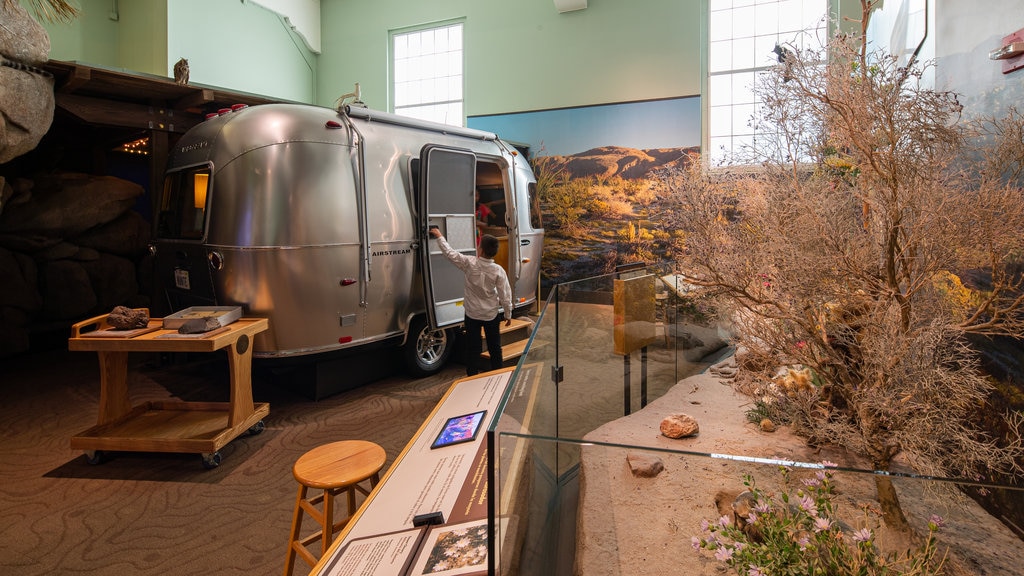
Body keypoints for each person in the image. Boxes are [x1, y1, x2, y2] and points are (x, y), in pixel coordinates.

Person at [429, 226, 513, 376]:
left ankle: (472, 376)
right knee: (495, 347)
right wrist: (508, 314)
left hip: (472, 315)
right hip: (491, 315)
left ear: (480, 250)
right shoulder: (498, 270)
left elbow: (450, 254)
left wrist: (439, 236)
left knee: (473, 348)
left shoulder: (469, 263)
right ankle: (499, 376)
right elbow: (505, 295)